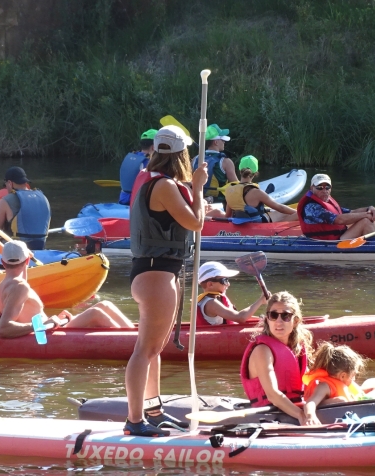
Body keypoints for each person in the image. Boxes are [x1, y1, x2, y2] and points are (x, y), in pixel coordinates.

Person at [124, 125, 207, 437]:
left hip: (156, 271)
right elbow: (195, 222)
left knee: (153, 349)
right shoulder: (165, 186)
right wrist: (198, 188)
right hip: (156, 273)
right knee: (145, 349)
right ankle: (134, 420)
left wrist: (193, 194)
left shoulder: (153, 180)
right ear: (181, 156)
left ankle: (154, 411)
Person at [0, 240, 134, 339]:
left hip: (49, 327)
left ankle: (134, 336)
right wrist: (43, 325)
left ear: (3, 262)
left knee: (105, 305)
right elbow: (4, 329)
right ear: (27, 261)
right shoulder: (20, 287)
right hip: (45, 334)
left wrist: (48, 322)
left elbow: (20, 293)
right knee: (95, 313)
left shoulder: (6, 284)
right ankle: (130, 343)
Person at [240, 291, 313, 426]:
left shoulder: (296, 348)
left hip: (294, 406)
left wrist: (311, 408)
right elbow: (272, 394)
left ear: (295, 321)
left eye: (285, 316)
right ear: (267, 319)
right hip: (270, 414)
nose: (278, 321)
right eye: (273, 315)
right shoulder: (262, 350)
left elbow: (311, 384)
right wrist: (301, 415)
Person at [302, 341, 375, 425]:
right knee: (341, 400)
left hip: (352, 410)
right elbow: (310, 403)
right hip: (329, 416)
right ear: (342, 376)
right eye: (353, 376)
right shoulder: (324, 386)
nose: (354, 379)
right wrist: (311, 417)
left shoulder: (343, 384)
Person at [298, 174, 375, 240]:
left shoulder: (328, 203)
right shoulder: (311, 207)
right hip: (328, 243)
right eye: (319, 187)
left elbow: (351, 212)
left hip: (339, 237)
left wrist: (369, 209)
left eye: (327, 187)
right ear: (312, 188)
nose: (324, 190)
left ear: (331, 188)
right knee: (365, 221)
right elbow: (339, 220)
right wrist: (366, 215)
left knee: (366, 219)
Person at [224, 155, 297, 223]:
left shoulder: (229, 190)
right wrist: (297, 212)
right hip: (258, 224)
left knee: (273, 211)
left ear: (240, 170)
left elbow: (227, 215)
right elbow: (281, 208)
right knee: (290, 214)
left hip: (241, 223)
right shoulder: (257, 193)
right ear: (255, 173)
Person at [0, 166, 50, 249]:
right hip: (40, 246)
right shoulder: (43, 197)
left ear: (9, 183)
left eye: (6, 186)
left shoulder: (6, 200)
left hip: (16, 250)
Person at [197, 261, 267, 326]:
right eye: (224, 280)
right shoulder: (211, 303)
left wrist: (261, 319)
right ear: (210, 284)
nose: (228, 284)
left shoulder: (209, 299)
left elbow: (235, 316)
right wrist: (260, 301)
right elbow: (241, 318)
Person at [192, 123, 238, 202]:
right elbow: (237, 187)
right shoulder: (226, 162)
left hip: (198, 201)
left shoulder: (195, 159)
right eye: (222, 140)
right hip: (219, 203)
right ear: (216, 142)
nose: (224, 142)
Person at [119, 129, 157, 205]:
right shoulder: (149, 162)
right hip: (136, 203)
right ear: (153, 147)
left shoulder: (131, 156)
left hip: (123, 198)